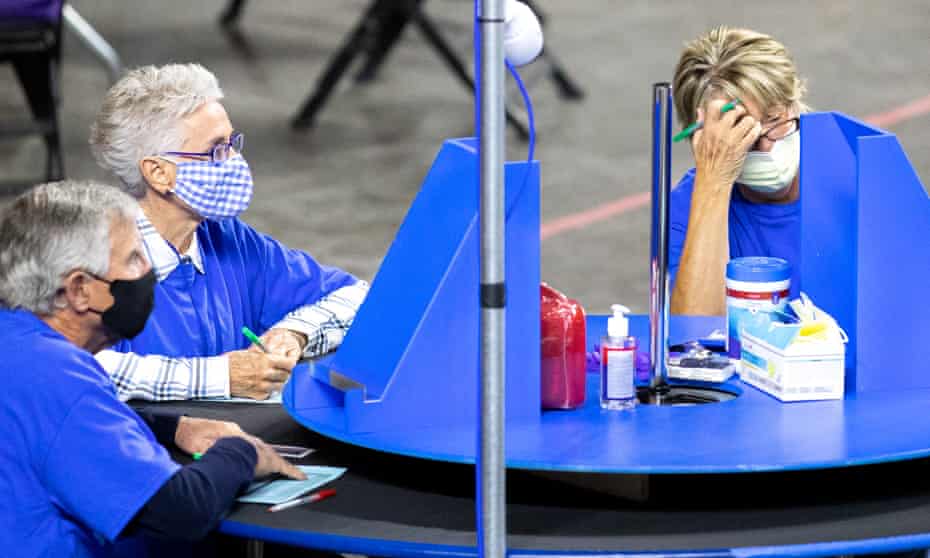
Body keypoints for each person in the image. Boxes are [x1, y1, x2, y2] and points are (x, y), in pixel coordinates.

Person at [0, 181, 305, 557]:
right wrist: (241, 453)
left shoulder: (15, 340)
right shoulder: (58, 376)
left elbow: (50, 430)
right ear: (80, 289)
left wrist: (171, 427)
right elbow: (180, 510)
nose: (149, 273)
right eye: (133, 259)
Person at [88, 63, 369, 401]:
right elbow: (70, 367)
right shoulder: (97, 260)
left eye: (233, 143)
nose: (234, 160)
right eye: (216, 150)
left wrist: (295, 333)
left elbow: (357, 296)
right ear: (159, 173)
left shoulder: (226, 238)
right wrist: (219, 378)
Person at [669, 26, 808, 316]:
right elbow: (696, 336)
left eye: (773, 120)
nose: (766, 149)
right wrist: (714, 183)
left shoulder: (857, 177)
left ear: (794, 102)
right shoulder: (686, 208)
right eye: (743, 136)